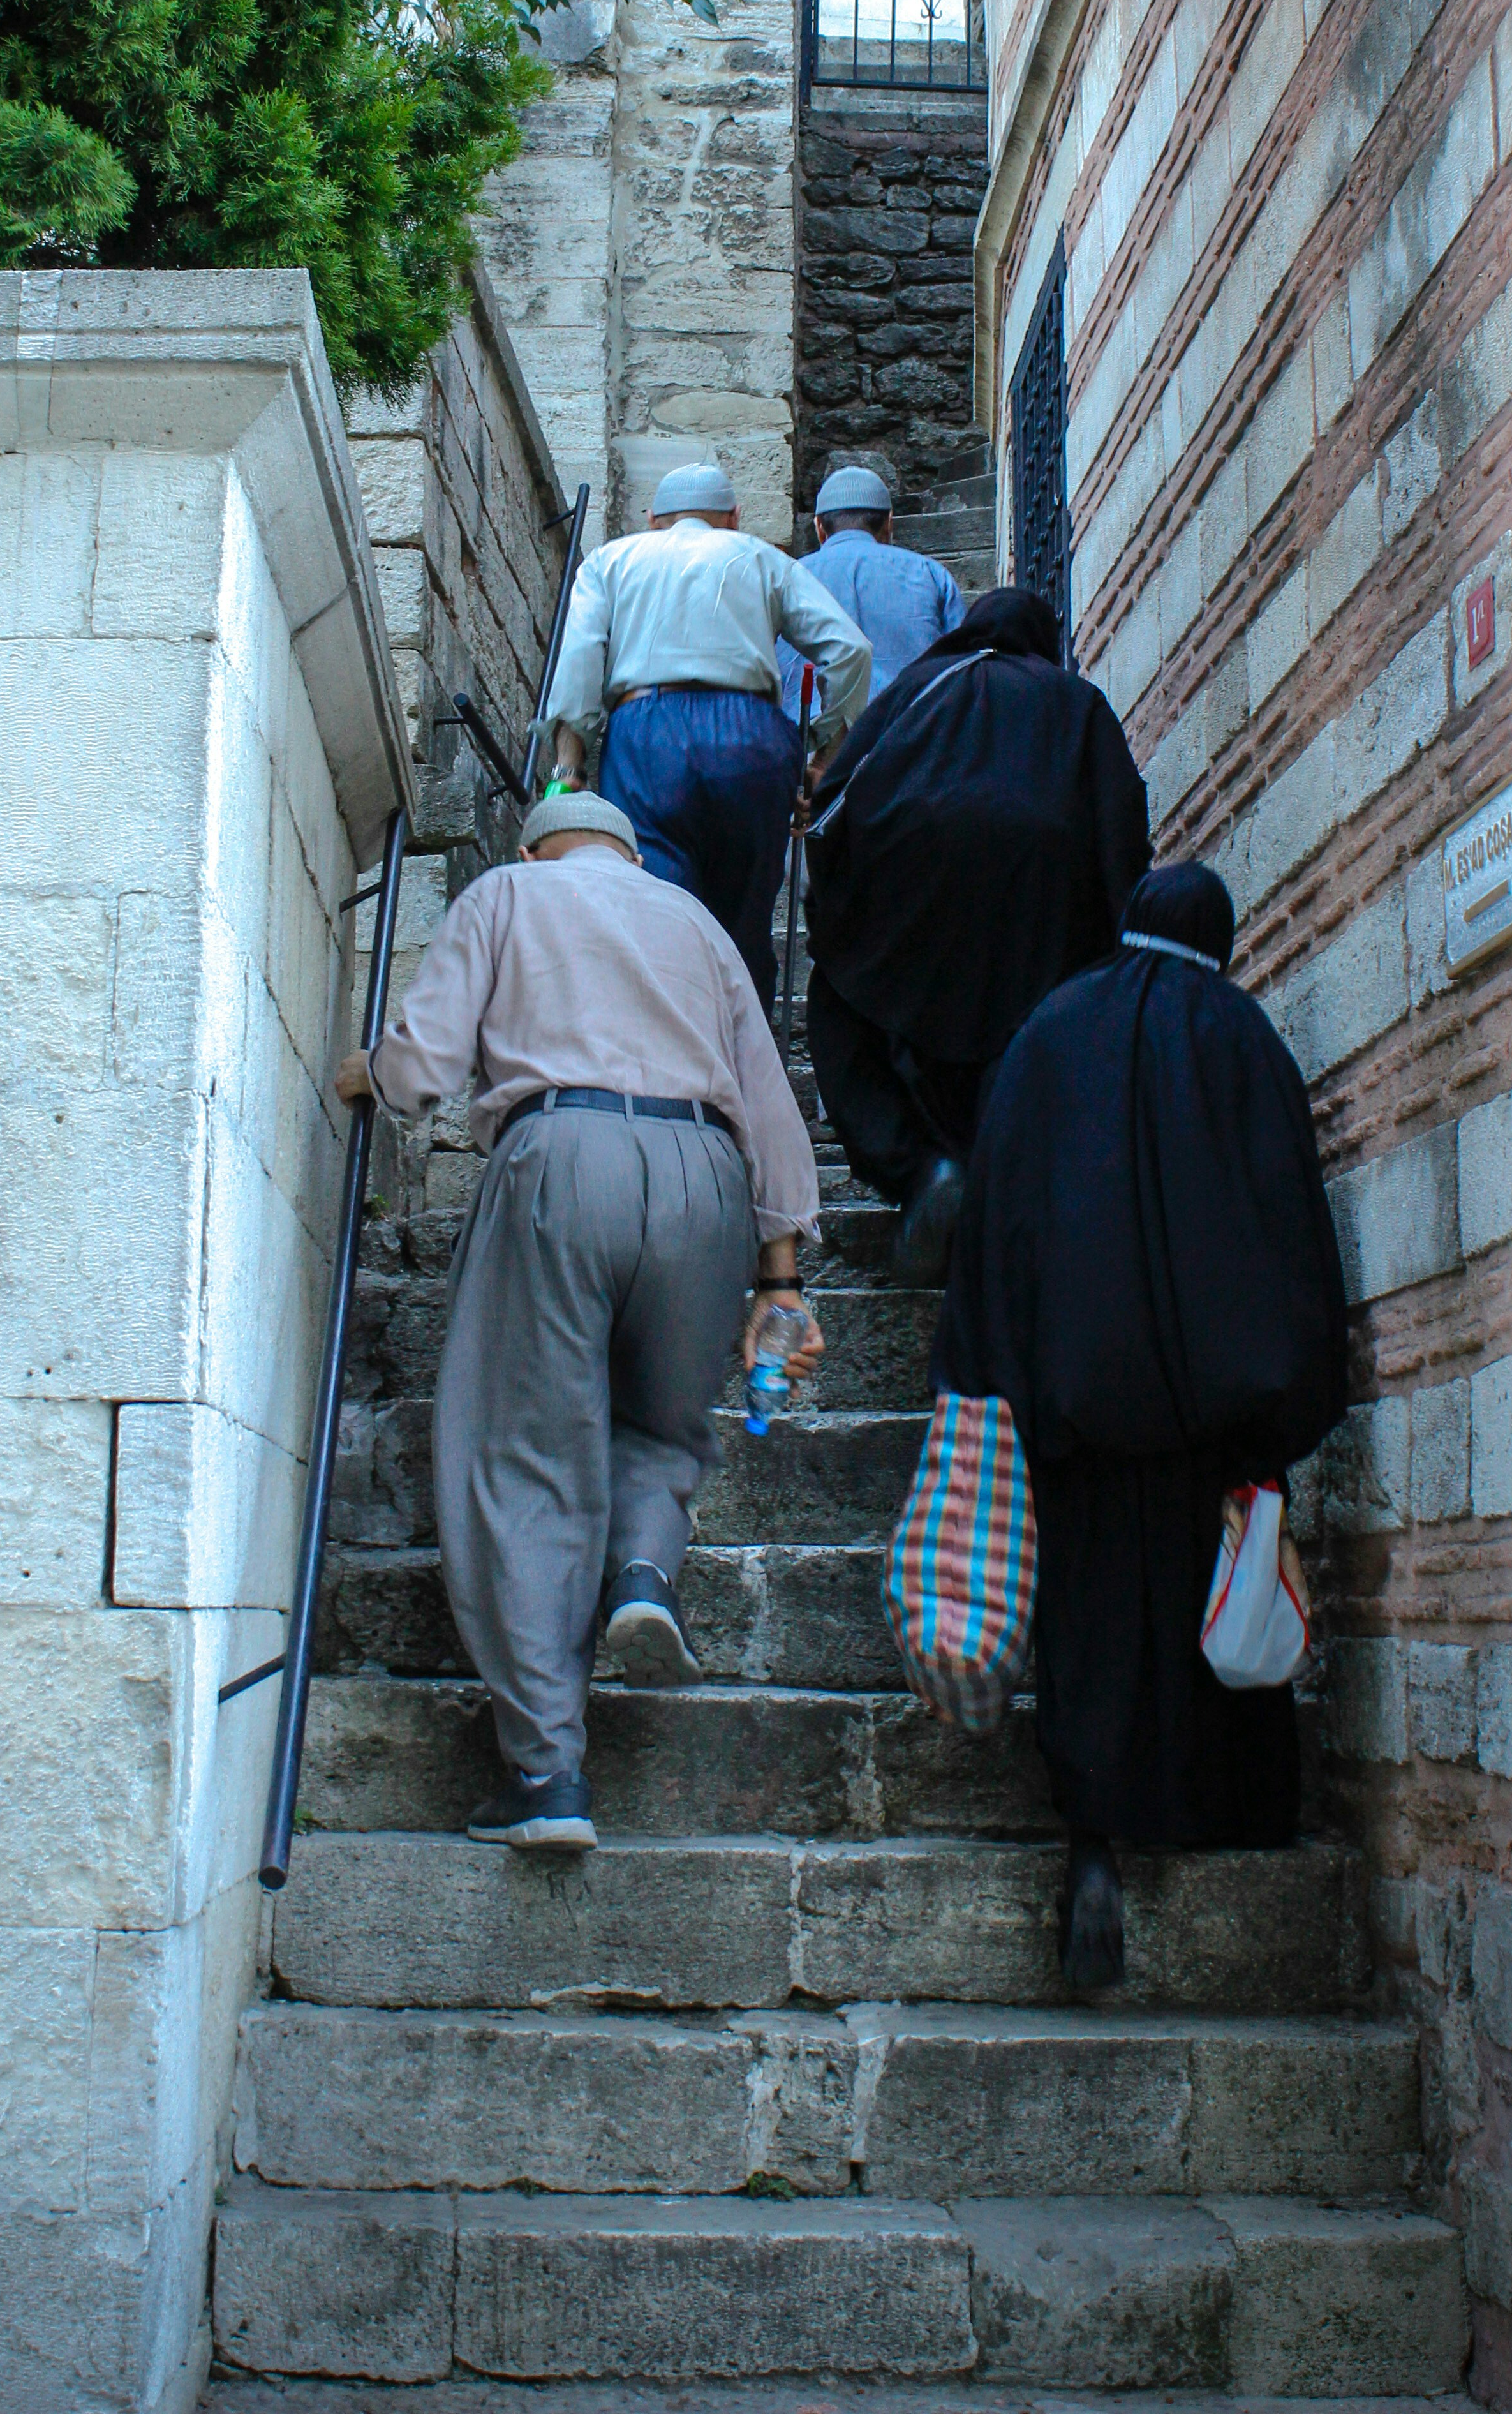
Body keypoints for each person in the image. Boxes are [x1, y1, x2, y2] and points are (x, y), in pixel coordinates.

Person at [336, 787, 823, 1852]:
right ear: (635, 857)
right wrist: (780, 1280)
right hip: (706, 1178)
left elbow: (424, 1066)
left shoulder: (504, 895)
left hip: (561, 1156)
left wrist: (368, 1072)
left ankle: (548, 1772)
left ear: (533, 849)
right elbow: (770, 1099)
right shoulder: (696, 923)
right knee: (664, 1423)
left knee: (526, 1459)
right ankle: (643, 1572)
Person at [939, 863, 1349, 1990]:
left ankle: (1090, 1844)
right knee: (1211, 1614)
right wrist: (1286, 1402)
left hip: (1073, 1404)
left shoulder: (1049, 1029)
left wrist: (991, 1372)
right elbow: (1288, 1222)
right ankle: (1230, 1815)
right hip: (1214, 1418)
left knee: (1089, 1622)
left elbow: (999, 1214)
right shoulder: (1244, 1039)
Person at [803, 585, 1150, 1278]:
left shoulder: (919, 687)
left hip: (915, 882)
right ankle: (1003, 1190)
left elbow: (835, 797)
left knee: (850, 1009)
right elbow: (1121, 826)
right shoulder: (1076, 701)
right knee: (1020, 1031)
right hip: (1040, 909)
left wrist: (841, 912)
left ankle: (922, 1169)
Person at [546, 462, 871, 1008]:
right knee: (744, 923)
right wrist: (825, 754)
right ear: (734, 517)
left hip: (647, 734)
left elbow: (579, 661)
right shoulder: (762, 558)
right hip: (752, 736)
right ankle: (745, 1046)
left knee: (653, 906)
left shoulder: (610, 560)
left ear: (652, 519)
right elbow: (851, 650)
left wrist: (568, 768)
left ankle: (666, 1039)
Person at [776, 463, 967, 715]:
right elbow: (964, 663)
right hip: (910, 727)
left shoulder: (786, 576)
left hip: (808, 733)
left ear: (819, 527)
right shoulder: (930, 573)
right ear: (889, 523)